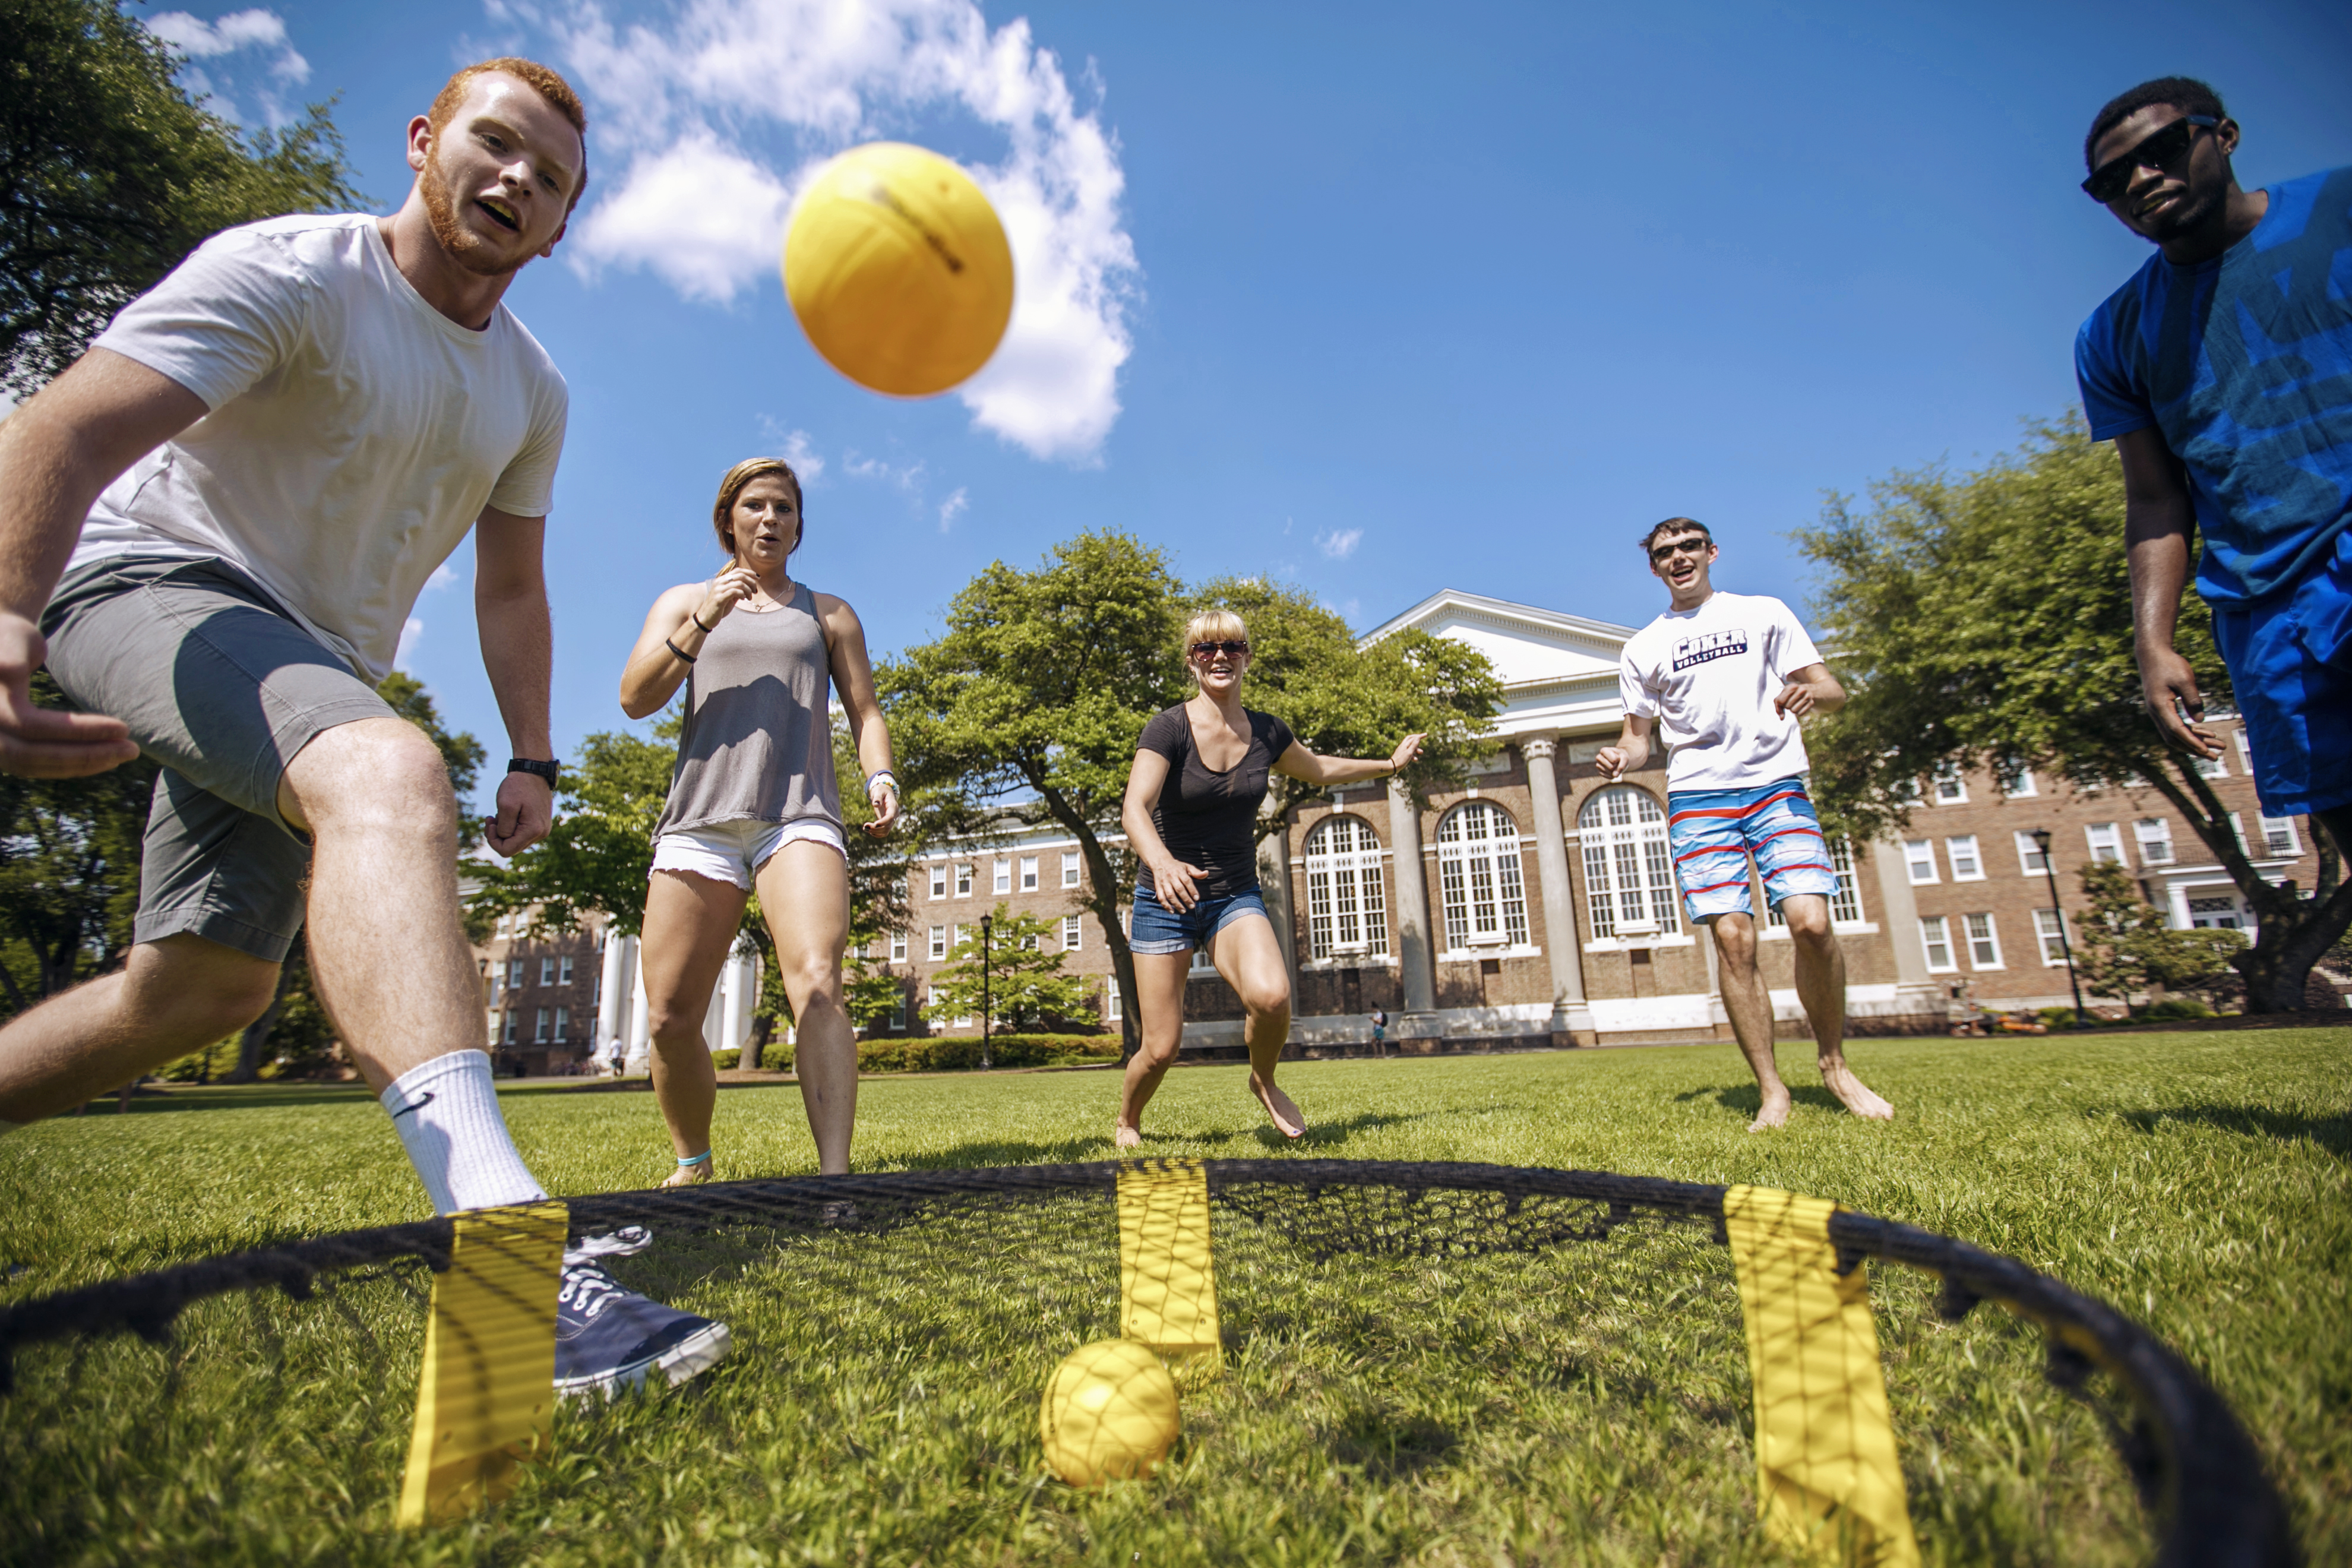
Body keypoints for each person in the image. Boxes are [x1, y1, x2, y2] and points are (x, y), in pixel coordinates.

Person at [0, 59, 728, 1398]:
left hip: (309, 660)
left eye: (549, 178)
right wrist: (7, 612)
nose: (515, 182)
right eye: (493, 147)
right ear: (422, 142)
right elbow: (68, 424)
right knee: (386, 768)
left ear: (563, 225)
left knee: (203, 990)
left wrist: (533, 754)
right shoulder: (293, 272)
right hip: (150, 577)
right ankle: (504, 1245)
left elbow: (511, 586)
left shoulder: (531, 389)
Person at [2073, 77, 2351, 857]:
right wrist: (2153, 643)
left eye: (2161, 151)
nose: (2140, 181)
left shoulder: (2339, 210)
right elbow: (2156, 498)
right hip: (2268, 613)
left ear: (2222, 136)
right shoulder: (2111, 335)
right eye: (2111, 180)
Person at [618, 457, 898, 1185]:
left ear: (799, 526)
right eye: (755, 507)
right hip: (699, 821)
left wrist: (881, 773)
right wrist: (708, 615)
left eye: (784, 508)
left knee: (819, 982)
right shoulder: (683, 599)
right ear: (729, 519)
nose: (770, 519)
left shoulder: (828, 613)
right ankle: (693, 1163)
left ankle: (834, 1178)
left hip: (797, 815)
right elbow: (634, 697)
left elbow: (866, 712)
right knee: (670, 1017)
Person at [1597, 519, 1895, 1132]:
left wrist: (1815, 698)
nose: (1678, 558)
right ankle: (1772, 1090)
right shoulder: (1644, 647)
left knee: (1811, 924)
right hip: (1699, 798)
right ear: (1654, 569)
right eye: (1664, 553)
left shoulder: (1763, 613)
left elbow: (1832, 688)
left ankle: (1834, 1065)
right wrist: (1621, 757)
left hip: (1776, 784)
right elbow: (1638, 738)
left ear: (1711, 552)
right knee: (1735, 941)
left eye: (1688, 547)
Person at [1115, 610, 1422, 1147]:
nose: (1220, 657)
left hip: (1232, 893)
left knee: (1273, 996)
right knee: (1162, 1047)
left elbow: (1319, 769)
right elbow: (1134, 809)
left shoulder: (1267, 732)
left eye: (1232, 647)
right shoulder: (1168, 728)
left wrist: (1389, 766)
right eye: (1206, 648)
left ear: (1247, 657)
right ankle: (1128, 1120)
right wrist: (1162, 863)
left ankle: (1264, 1078)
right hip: (1165, 897)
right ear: (1191, 661)